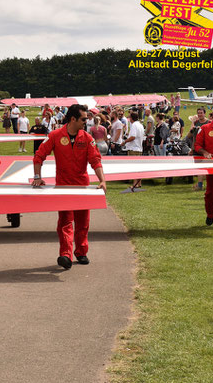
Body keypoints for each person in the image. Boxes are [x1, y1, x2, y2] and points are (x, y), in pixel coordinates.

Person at [32, 104, 106, 270]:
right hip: (63, 187)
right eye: (83, 119)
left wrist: (102, 180)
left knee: (83, 222)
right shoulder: (55, 135)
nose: (86, 122)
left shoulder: (87, 138)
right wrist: (37, 177)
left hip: (82, 186)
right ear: (73, 119)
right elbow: (39, 156)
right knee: (65, 222)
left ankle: (80, 252)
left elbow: (95, 160)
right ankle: (65, 255)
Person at [122, 111, 144, 190]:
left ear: (132, 118)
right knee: (138, 167)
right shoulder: (140, 125)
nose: (129, 119)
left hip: (133, 148)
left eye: (129, 117)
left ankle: (135, 184)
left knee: (134, 167)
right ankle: (139, 183)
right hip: (139, 148)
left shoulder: (134, 125)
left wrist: (125, 141)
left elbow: (133, 137)